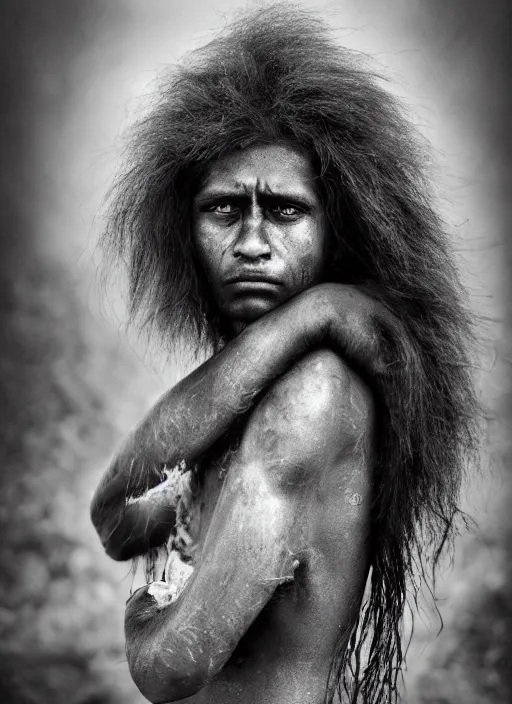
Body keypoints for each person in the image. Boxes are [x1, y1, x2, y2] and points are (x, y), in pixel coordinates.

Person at [90, 6, 478, 703]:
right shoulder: (282, 365)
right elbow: (116, 515)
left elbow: (172, 664)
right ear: (184, 231)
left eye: (287, 212)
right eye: (224, 210)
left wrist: (144, 613)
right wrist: (308, 315)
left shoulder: (314, 398)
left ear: (343, 230)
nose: (251, 244)